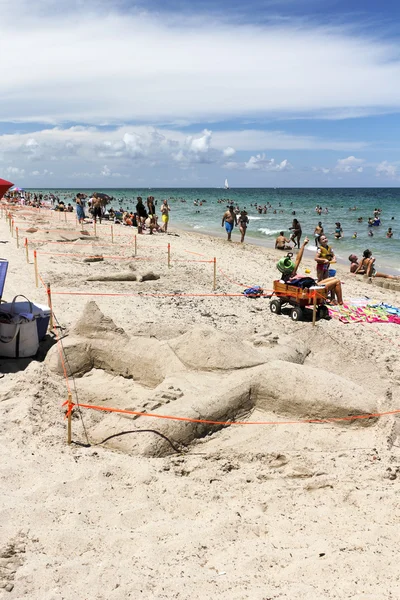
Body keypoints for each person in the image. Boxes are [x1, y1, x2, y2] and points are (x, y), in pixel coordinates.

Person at [278, 237, 343, 304]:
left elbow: (298, 259)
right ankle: (340, 302)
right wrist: (303, 244)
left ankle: (334, 300)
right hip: (313, 288)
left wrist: (304, 244)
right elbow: (298, 259)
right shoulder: (292, 273)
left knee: (333, 278)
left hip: (312, 286)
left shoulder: (286, 277)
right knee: (337, 281)